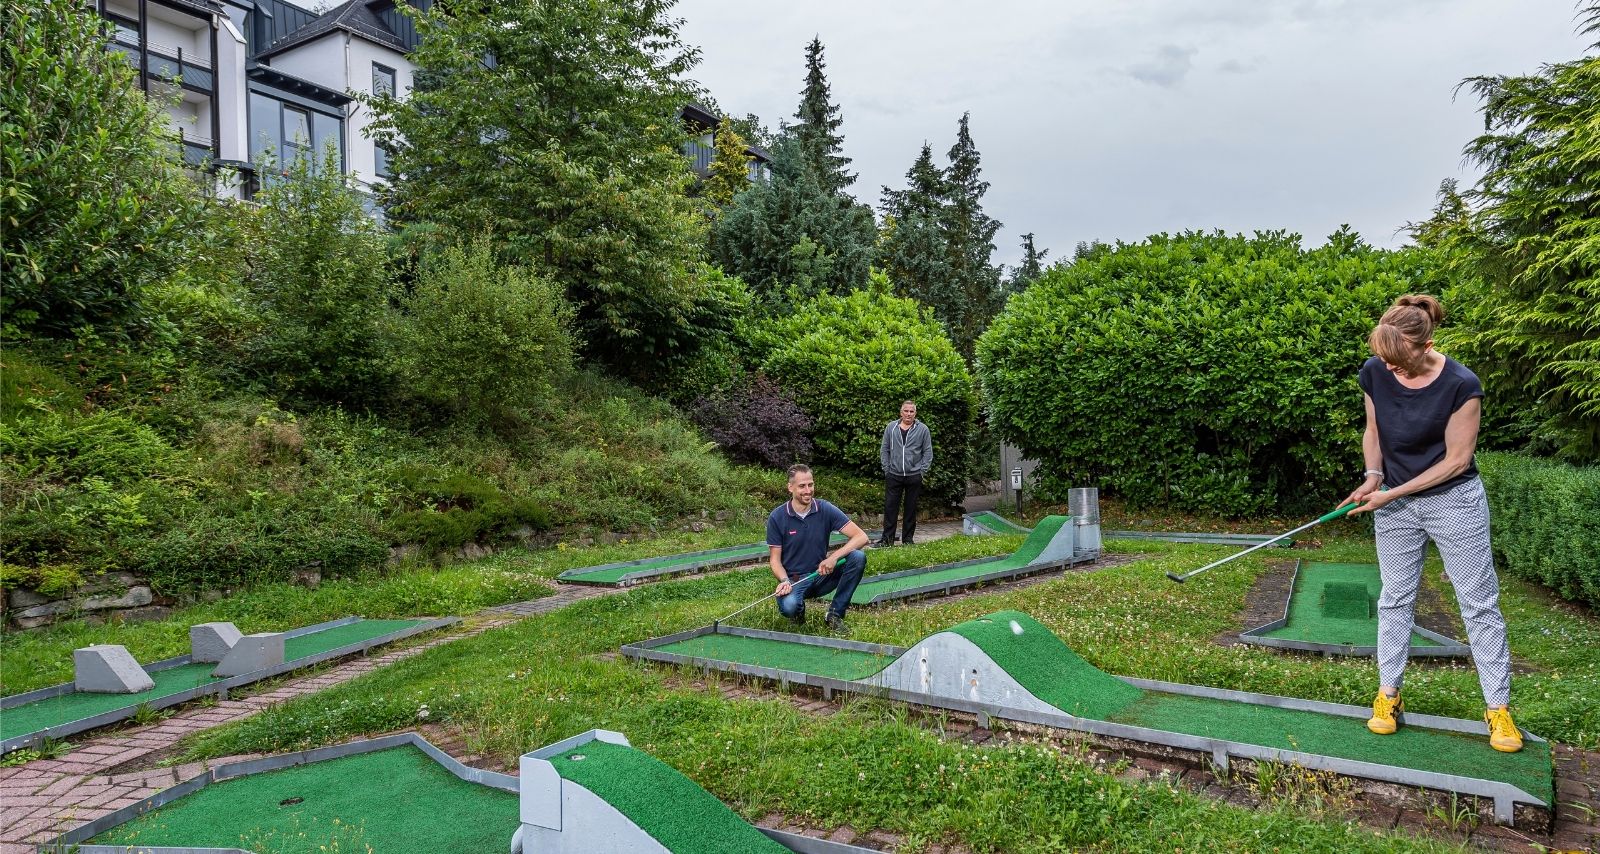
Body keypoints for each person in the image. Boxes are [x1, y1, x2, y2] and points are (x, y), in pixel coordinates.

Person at [1344, 294, 1521, 753]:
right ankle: (1389, 696)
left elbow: (1457, 462)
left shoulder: (1462, 385)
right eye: (1387, 363)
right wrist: (1373, 476)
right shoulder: (1375, 370)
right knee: (1394, 600)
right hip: (1395, 504)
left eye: (1401, 363)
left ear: (1426, 347)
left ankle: (1498, 710)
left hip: (1453, 502)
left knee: (1478, 604)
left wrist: (1392, 493)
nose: (1393, 372)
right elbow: (1374, 430)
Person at [767, 464, 869, 632]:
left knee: (857, 557)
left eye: (811, 484)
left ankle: (834, 615)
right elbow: (775, 561)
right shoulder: (777, 517)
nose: (808, 490)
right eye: (802, 486)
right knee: (790, 607)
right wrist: (784, 581)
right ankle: (798, 611)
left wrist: (833, 557)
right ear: (790, 487)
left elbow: (861, 536)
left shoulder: (824, 508)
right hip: (795, 580)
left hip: (822, 575)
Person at [877, 401, 933, 547]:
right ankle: (887, 540)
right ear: (901, 412)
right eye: (906, 411)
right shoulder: (891, 427)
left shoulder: (923, 429)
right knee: (890, 508)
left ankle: (908, 540)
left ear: (915, 413)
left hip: (914, 475)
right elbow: (884, 449)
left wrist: (922, 471)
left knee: (910, 509)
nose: (908, 414)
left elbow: (927, 451)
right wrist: (887, 469)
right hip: (894, 474)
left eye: (911, 411)